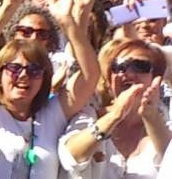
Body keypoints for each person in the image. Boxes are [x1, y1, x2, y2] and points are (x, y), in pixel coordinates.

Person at [0, 0, 100, 178]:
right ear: (0, 72)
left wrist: (71, 27)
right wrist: (7, 9)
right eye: (15, 68)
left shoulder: (51, 114)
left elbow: (90, 77)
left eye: (35, 70)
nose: (24, 75)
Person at [58, 39, 171, 178]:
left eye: (140, 66)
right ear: (108, 80)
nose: (127, 73)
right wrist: (115, 115)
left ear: (156, 78)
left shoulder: (165, 126)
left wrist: (151, 116)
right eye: (119, 66)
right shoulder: (89, 116)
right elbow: (70, 157)